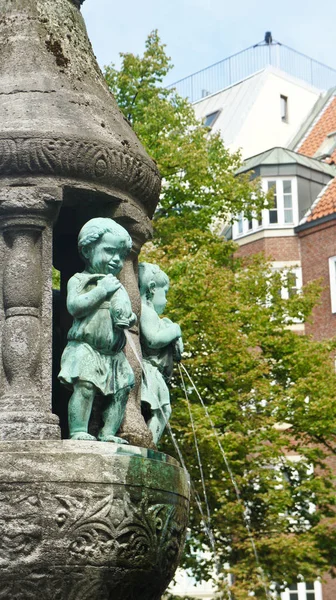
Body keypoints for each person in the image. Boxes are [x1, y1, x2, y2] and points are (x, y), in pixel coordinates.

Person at [58, 217, 136, 442]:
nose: (116, 260)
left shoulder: (117, 286)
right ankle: (78, 430)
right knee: (85, 387)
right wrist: (102, 290)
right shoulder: (80, 280)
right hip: (86, 347)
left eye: (121, 256)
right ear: (88, 250)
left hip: (113, 353)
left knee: (123, 388)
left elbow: (127, 313)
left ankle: (108, 432)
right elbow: (75, 307)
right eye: (110, 251)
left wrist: (128, 318)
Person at [138, 262, 183, 444]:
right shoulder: (146, 312)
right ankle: (150, 443)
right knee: (162, 410)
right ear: (152, 289)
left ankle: (150, 442)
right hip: (148, 370)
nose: (166, 300)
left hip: (154, 372)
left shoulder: (154, 315)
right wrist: (175, 330)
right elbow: (153, 339)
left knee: (163, 410)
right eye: (165, 293)